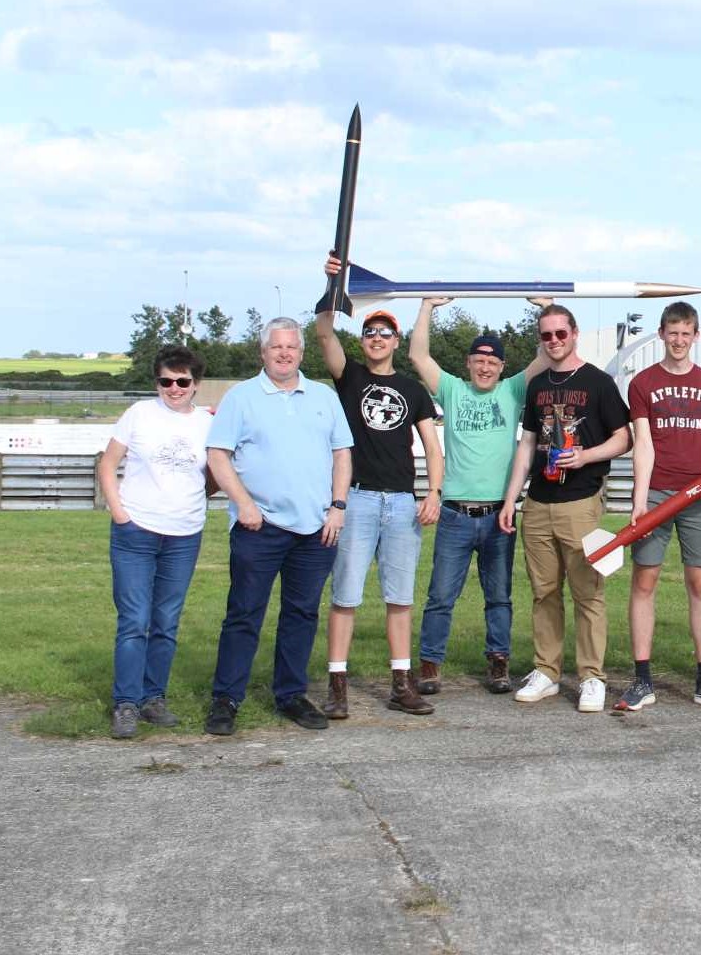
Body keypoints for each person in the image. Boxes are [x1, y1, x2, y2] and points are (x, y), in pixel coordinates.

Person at [204, 318, 353, 735]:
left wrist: (338, 506)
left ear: (301, 353)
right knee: (244, 613)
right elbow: (218, 455)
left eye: (291, 347)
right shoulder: (242, 398)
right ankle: (226, 697)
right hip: (259, 527)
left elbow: (342, 453)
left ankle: (290, 694)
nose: (284, 353)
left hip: (315, 529)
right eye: (276, 348)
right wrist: (244, 504)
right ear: (263, 353)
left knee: (301, 614)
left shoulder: (323, 396)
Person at [313, 271, 444, 720]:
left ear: (395, 340)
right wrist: (330, 284)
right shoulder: (348, 377)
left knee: (400, 597)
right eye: (369, 332)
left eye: (384, 333)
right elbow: (325, 330)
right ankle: (337, 685)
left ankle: (401, 684)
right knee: (346, 595)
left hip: (402, 503)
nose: (376, 338)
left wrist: (434, 493)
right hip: (358, 499)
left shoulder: (411, 388)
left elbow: (431, 444)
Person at [405, 295, 551, 697]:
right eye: (479, 360)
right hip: (454, 514)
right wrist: (427, 307)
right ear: (469, 363)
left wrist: (546, 308)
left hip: (497, 515)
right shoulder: (451, 390)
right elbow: (418, 355)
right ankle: (431, 665)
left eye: (493, 362)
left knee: (499, 596)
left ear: (501, 367)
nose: (485, 367)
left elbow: (545, 356)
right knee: (440, 596)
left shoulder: (513, 390)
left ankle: (498, 662)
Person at [498, 305, 631, 714]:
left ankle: (591, 676)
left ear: (574, 333)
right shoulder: (537, 385)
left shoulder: (598, 382)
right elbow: (527, 443)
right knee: (544, 593)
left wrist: (586, 456)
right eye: (546, 335)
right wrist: (511, 498)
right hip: (538, 501)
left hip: (581, 502)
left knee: (588, 592)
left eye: (560, 333)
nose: (553, 341)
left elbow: (623, 438)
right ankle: (547, 672)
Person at [616, 301, 701, 712]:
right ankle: (642, 679)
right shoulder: (644, 384)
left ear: (695, 336)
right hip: (657, 493)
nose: (679, 340)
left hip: (699, 494)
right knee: (644, 582)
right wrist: (638, 502)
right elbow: (643, 445)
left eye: (686, 333)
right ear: (662, 334)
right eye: (673, 332)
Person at [97, 345, 216, 738]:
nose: (175, 388)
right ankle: (126, 703)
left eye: (183, 381)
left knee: (166, 621)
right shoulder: (139, 415)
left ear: (196, 384)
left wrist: (198, 496)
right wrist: (119, 513)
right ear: (157, 382)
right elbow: (108, 463)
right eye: (166, 381)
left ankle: (154, 698)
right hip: (136, 531)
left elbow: (217, 472)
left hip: (184, 534)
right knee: (134, 620)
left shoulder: (208, 423)